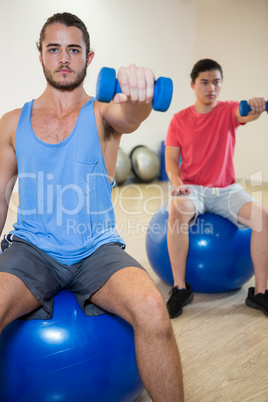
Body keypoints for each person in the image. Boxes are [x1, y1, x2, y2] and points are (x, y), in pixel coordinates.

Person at [0, 12, 184, 401]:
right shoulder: (12, 123)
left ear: (89, 57)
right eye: (54, 49)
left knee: (153, 308)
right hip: (31, 248)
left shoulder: (104, 113)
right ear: (41, 56)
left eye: (73, 49)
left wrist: (138, 95)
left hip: (96, 249)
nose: (64, 57)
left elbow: (130, 115)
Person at [165, 58, 268, 319]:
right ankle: (179, 288)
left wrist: (256, 107)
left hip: (227, 191)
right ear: (193, 84)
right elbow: (170, 162)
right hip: (193, 189)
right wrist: (178, 186)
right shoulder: (179, 120)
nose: (211, 87)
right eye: (205, 82)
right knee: (176, 211)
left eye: (217, 82)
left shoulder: (229, 110)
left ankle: (260, 293)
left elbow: (247, 114)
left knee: (263, 218)